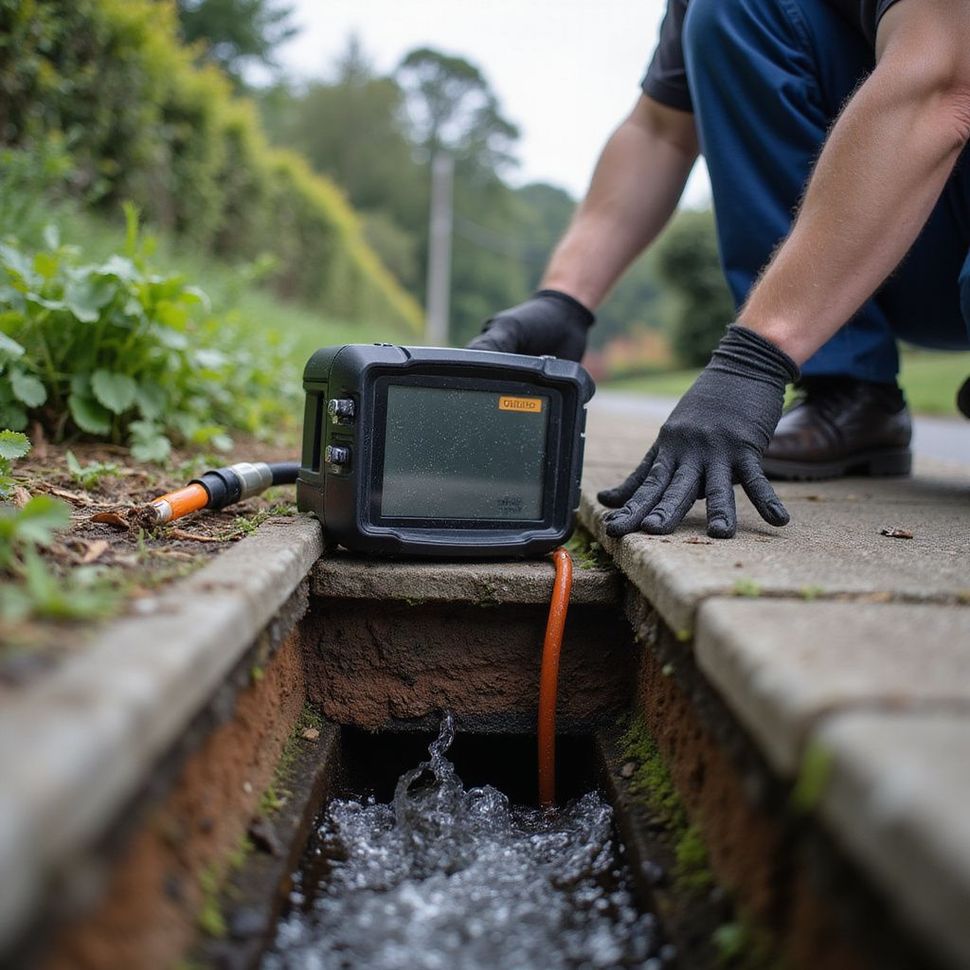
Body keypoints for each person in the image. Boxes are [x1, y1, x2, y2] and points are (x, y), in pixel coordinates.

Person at [468, 0, 970, 539]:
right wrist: (565, 300)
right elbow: (660, 129)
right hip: (899, 242)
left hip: (938, 140)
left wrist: (754, 357)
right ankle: (849, 394)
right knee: (730, 9)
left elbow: (942, 86)